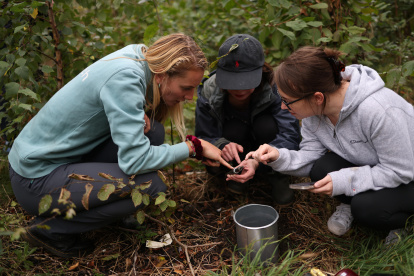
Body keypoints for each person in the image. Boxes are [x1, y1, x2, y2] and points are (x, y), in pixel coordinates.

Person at [8, 33, 232, 258]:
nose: (191, 97)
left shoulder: (140, 57)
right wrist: (192, 147)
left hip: (57, 160)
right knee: (151, 186)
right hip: (35, 179)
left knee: (154, 132)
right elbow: (135, 161)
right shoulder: (126, 77)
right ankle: (49, 231)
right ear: (162, 75)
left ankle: (110, 211)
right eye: (186, 87)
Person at [244, 46, 414, 242]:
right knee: (321, 168)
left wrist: (345, 180)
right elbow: (311, 156)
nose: (283, 107)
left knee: (366, 208)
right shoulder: (314, 113)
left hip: (408, 176)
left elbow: (401, 170)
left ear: (317, 97)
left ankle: (402, 224)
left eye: (287, 101)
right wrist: (278, 156)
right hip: (378, 167)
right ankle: (354, 201)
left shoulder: (379, 110)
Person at [195, 34, 301, 205]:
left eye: (246, 81)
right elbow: (202, 137)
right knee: (234, 129)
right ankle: (235, 173)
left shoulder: (276, 88)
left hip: (266, 149)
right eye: (232, 81)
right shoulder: (210, 91)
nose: (240, 89)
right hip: (234, 148)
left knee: (265, 125)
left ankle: (277, 176)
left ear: (260, 72)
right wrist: (221, 145)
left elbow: (290, 135)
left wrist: (258, 160)